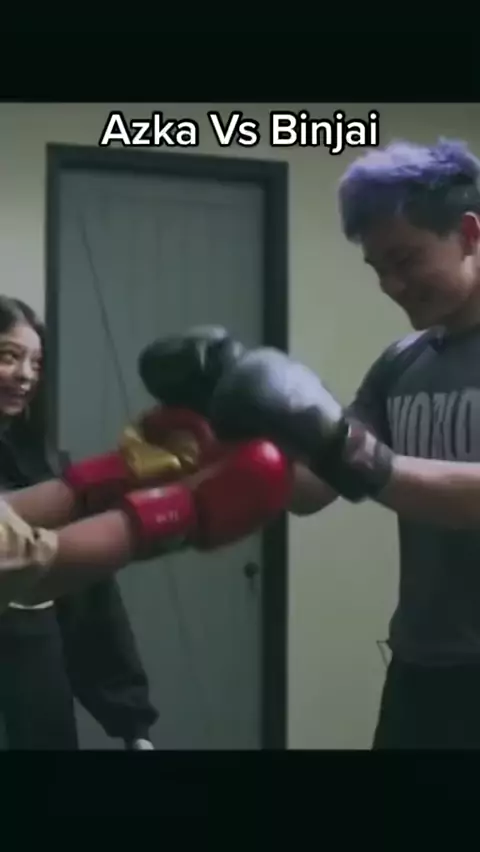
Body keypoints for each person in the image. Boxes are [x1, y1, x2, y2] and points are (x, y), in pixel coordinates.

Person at [191, 137, 480, 750]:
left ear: (468, 234)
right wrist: (225, 416)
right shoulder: (401, 363)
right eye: (378, 269)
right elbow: (313, 489)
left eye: (406, 259)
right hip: (421, 666)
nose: (392, 284)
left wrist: (349, 450)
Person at [0, 295, 159, 749]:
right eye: (9, 357)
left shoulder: (42, 466)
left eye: (36, 363)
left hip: (36, 692)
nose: (26, 375)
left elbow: (90, 598)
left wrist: (131, 721)